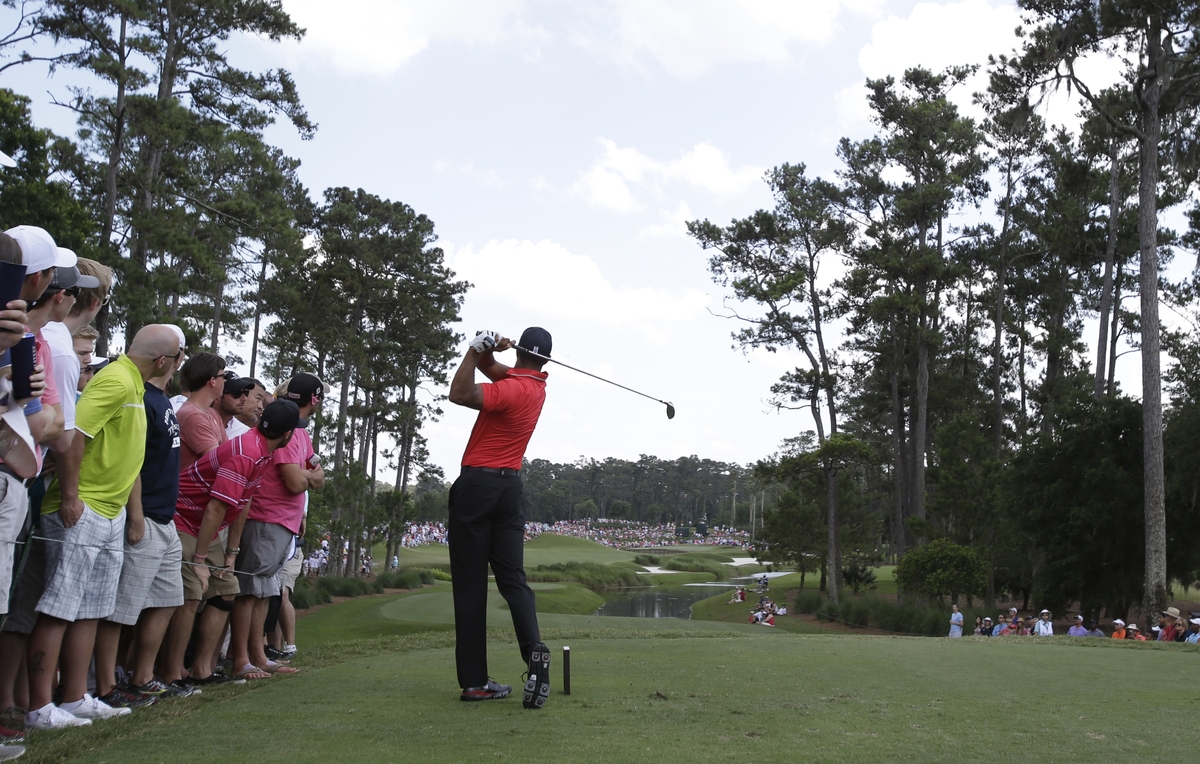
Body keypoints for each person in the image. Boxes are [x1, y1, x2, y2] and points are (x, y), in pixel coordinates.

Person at [23, 325, 180, 730]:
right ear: (162, 361)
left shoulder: (137, 386)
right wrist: (72, 495)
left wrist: (129, 513)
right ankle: (39, 707)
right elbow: (75, 435)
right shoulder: (116, 379)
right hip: (83, 508)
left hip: (109, 512)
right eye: (176, 357)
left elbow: (125, 457)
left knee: (91, 610)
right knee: (59, 609)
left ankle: (76, 698)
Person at [162, 399, 303, 685]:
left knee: (227, 590)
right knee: (190, 596)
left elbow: (243, 501)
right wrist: (200, 560)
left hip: (207, 528)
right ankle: (171, 674)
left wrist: (231, 551)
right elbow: (216, 506)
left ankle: (202, 671)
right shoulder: (248, 452)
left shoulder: (260, 449)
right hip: (185, 518)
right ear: (287, 434)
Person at [445, 328, 552, 705]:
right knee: (513, 580)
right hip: (510, 490)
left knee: (471, 586)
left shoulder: (510, 389)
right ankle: (534, 653)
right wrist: (489, 351)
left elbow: (459, 393)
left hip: (477, 487)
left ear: (521, 349)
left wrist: (474, 351)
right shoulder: (534, 387)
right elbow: (495, 370)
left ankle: (474, 682)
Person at [92, 329, 188, 706]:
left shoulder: (161, 399)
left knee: (167, 600)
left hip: (166, 519)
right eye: (180, 353)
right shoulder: (140, 397)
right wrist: (135, 516)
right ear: (167, 358)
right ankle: (107, 682)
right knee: (122, 608)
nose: (182, 359)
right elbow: (133, 460)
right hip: (144, 515)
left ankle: (143, 676)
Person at [228, 376, 323, 681]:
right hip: (266, 518)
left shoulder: (298, 432)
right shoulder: (287, 428)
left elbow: (316, 477)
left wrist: (308, 475)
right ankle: (241, 659)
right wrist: (308, 476)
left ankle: (258, 655)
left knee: (264, 592)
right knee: (249, 592)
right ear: (316, 399)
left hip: (283, 522)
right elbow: (299, 481)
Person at [174, 353, 228, 470]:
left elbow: (227, 453)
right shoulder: (192, 416)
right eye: (223, 376)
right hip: (191, 488)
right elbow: (218, 461)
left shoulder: (212, 413)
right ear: (212, 381)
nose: (225, 381)